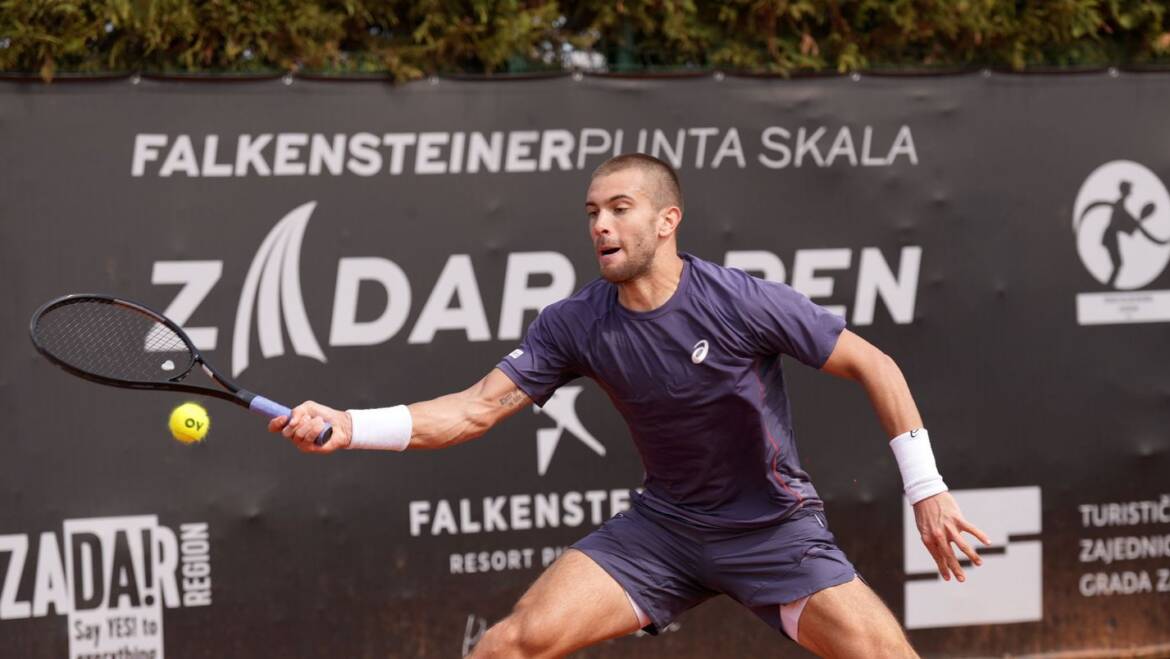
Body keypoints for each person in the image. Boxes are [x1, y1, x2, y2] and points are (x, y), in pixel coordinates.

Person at [271, 153, 990, 658]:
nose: (601, 226)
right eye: (592, 213)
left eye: (620, 208)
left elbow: (874, 362)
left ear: (667, 220)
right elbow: (473, 409)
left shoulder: (740, 300)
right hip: (665, 532)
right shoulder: (575, 321)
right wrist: (347, 425)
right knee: (509, 644)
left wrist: (926, 489)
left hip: (773, 531)